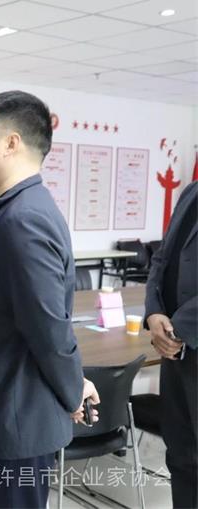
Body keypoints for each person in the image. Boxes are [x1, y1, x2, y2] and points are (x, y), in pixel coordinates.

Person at [0, 90, 99, 508]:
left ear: (11, 143)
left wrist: (72, 390)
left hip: (14, 420)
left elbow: (48, 328)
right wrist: (73, 386)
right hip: (8, 410)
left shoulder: (22, 220)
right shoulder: (17, 211)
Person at [144, 180, 197, 508]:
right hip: (175, 351)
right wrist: (154, 313)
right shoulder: (191, 192)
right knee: (180, 454)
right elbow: (162, 258)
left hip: (183, 336)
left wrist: (177, 328)